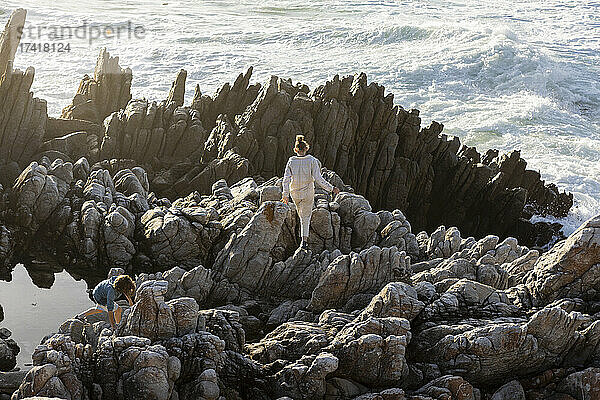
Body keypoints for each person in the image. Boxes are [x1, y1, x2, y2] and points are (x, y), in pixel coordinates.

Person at [281, 135, 340, 249]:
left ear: (295, 150)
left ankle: (301, 234)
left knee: (301, 214)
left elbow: (286, 179)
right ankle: (304, 241)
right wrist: (332, 188)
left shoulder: (291, 161)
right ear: (306, 149)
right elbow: (319, 179)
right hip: (308, 191)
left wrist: (285, 195)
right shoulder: (312, 160)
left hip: (295, 193)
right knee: (306, 216)